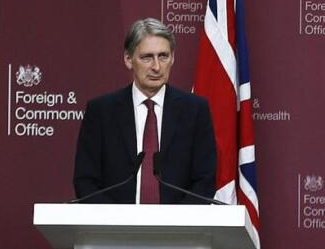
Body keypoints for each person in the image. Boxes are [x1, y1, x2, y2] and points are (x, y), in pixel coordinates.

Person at [73, 18, 217, 204]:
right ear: (128, 59)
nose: (156, 67)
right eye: (147, 57)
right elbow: (85, 181)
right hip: (114, 228)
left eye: (163, 56)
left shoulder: (195, 110)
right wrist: (117, 223)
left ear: (173, 58)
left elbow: (205, 181)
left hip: (179, 229)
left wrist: (176, 224)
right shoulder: (101, 111)